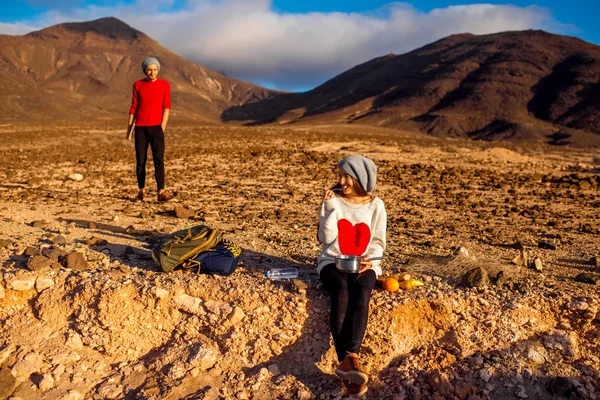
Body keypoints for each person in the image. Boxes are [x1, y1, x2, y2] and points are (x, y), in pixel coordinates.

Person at [317, 154, 387, 396]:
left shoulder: (376, 205)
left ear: (359, 179)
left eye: (346, 176)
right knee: (341, 291)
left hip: (365, 263)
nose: (341, 181)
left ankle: (350, 361)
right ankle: (349, 362)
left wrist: (371, 259)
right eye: (340, 175)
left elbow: (378, 240)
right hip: (331, 261)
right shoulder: (333, 200)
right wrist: (328, 208)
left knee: (363, 290)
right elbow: (325, 240)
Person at [127, 56, 175, 202]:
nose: (152, 72)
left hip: (156, 129)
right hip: (140, 128)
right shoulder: (138, 85)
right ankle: (141, 192)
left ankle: (161, 192)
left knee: (158, 160)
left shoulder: (165, 85)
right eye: (149, 69)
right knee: (140, 161)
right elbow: (133, 107)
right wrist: (129, 129)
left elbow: (166, 107)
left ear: (158, 70)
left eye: (154, 70)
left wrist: (162, 128)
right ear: (145, 70)